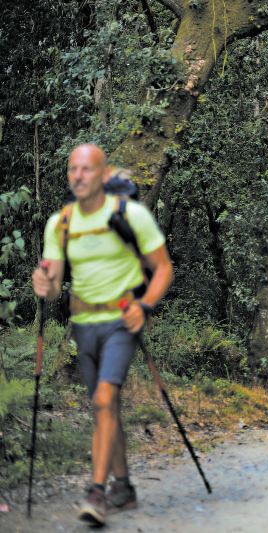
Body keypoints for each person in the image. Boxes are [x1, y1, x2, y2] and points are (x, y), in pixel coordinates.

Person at [31, 143, 173, 526]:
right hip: (83, 324)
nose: (78, 176)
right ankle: (123, 487)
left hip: (122, 320)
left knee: (105, 398)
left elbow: (163, 268)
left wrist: (145, 306)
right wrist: (43, 284)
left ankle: (96, 492)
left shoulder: (131, 215)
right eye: (73, 169)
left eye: (87, 169)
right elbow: (54, 287)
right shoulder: (60, 223)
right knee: (104, 406)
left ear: (104, 174)